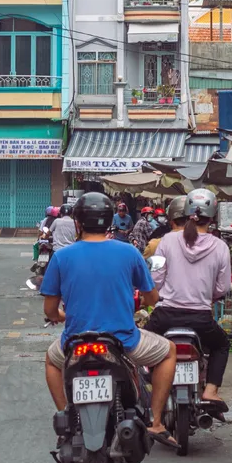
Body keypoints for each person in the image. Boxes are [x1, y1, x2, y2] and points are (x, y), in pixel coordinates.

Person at [41, 191, 179, 448]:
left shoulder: (61, 257)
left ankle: (66, 417)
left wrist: (63, 316)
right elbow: (152, 298)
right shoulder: (129, 253)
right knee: (169, 351)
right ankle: (157, 422)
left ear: (77, 223)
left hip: (74, 343)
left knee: (51, 360)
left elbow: (50, 311)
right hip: (124, 342)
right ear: (110, 222)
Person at [145, 188, 232, 414]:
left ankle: (147, 384)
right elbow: (223, 288)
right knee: (221, 344)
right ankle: (211, 391)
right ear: (212, 217)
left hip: (165, 317)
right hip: (201, 320)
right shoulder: (220, 247)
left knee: (140, 346)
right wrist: (205, 297)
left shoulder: (167, 240)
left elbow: (155, 278)